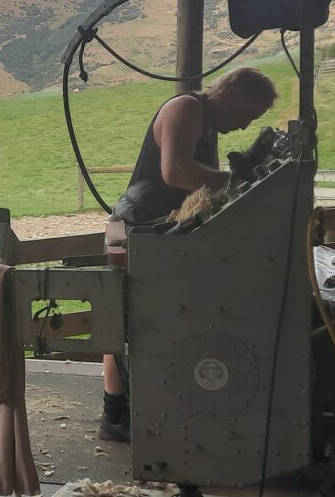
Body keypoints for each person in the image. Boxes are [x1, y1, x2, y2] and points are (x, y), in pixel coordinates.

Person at [99, 66, 278, 441]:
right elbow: (176, 172)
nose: (244, 125)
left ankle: (144, 404)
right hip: (132, 228)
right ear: (233, 96)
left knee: (150, 317)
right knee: (127, 319)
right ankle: (114, 417)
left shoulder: (207, 122)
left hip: (153, 230)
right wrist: (238, 181)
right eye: (247, 114)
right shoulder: (186, 108)